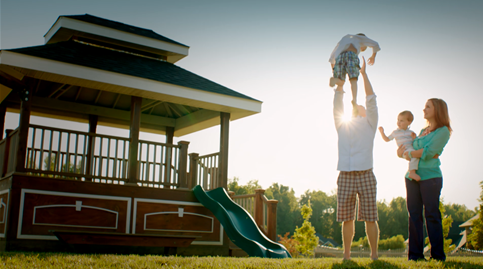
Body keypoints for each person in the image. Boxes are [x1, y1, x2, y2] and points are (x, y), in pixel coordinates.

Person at [333, 57, 379, 261]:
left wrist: (363, 74)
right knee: (346, 218)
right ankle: (346, 254)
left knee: (370, 217)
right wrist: (339, 86)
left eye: (360, 104)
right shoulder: (342, 125)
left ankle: (375, 255)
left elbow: (371, 98)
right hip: (345, 174)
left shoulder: (370, 123)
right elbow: (337, 105)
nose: (357, 104)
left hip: (366, 173)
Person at [397, 98, 451, 261]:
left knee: (432, 215)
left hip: (431, 177)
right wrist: (402, 153)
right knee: (414, 216)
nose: (424, 109)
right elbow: (413, 150)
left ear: (438, 110)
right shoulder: (422, 131)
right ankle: (415, 255)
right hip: (412, 177)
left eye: (428, 107)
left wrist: (411, 153)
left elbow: (429, 151)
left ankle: (437, 256)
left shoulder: (443, 131)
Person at [329, 33, 380, 110]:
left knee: (341, 82)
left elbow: (332, 58)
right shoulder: (360, 38)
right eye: (363, 47)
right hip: (351, 55)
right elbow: (375, 44)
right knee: (353, 79)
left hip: (339, 57)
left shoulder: (344, 38)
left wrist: (334, 71)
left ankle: (335, 80)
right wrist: (373, 56)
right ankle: (354, 100)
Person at [378, 111, 420, 181]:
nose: (398, 122)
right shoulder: (395, 132)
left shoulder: (411, 133)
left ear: (409, 122)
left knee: (415, 155)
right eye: (398, 120)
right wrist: (382, 132)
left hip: (410, 149)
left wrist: (414, 138)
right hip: (404, 150)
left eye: (401, 121)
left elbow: (416, 143)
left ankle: (412, 172)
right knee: (415, 155)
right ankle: (412, 172)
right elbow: (387, 139)